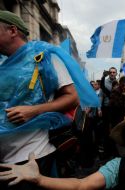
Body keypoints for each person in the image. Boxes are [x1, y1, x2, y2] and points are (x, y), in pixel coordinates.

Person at [0, 10, 99, 189]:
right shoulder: (2, 63)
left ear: (12, 31)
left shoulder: (44, 57)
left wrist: (33, 111)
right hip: (3, 158)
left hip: (34, 157)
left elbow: (72, 97)